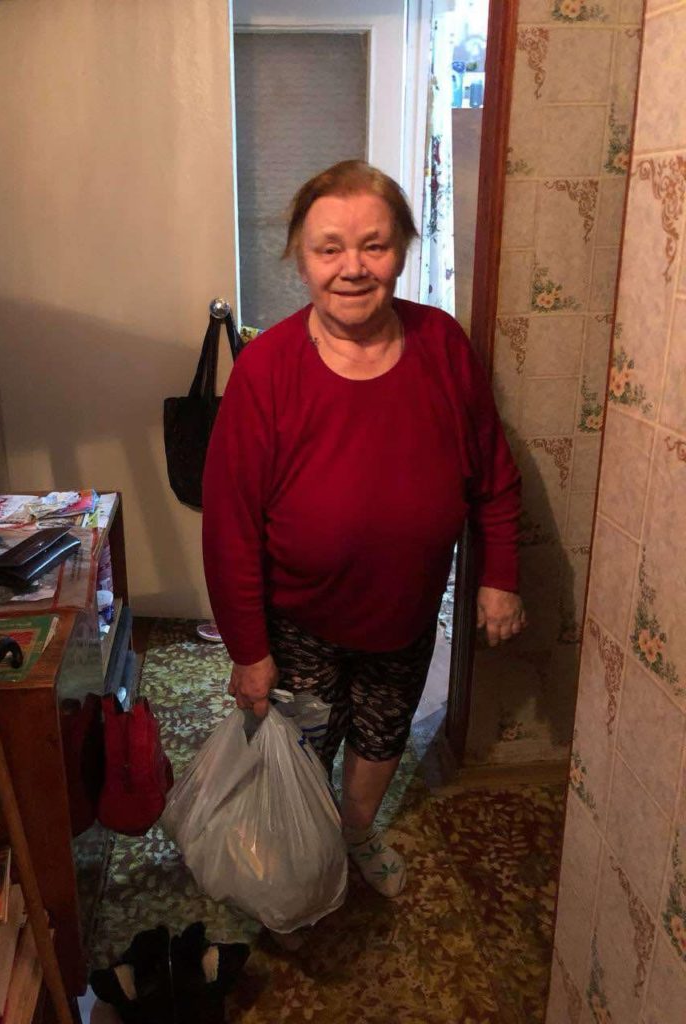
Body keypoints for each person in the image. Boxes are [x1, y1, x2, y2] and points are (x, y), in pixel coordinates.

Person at [202, 160, 525, 900]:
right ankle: (296, 854)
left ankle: (352, 835)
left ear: (405, 249)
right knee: (298, 754)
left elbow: (494, 476)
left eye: (374, 246)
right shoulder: (266, 371)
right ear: (300, 257)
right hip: (299, 624)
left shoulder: (442, 344)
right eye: (330, 248)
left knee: (382, 736)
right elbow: (229, 529)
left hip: (407, 617)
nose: (353, 268)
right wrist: (249, 651)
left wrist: (499, 575)